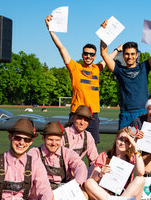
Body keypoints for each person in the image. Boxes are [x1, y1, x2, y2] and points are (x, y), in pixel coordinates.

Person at [45, 15, 121, 144]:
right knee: (69, 148)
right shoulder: (75, 68)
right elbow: (61, 48)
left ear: (94, 56)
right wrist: (50, 29)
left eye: (91, 54)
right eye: (86, 53)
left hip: (92, 116)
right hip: (76, 114)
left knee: (92, 150)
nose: (88, 56)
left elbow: (108, 57)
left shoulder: (97, 68)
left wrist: (117, 49)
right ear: (82, 55)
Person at [28, 121, 94, 200]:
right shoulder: (34, 153)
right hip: (44, 191)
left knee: (83, 191)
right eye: (50, 140)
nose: (54, 143)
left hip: (64, 190)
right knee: (37, 190)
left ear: (61, 140)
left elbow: (81, 166)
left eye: (57, 140)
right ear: (43, 138)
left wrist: (77, 183)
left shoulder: (67, 152)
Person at [99, 18, 151, 129]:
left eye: (132, 54)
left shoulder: (144, 67)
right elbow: (103, 53)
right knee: (122, 144)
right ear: (123, 55)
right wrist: (104, 33)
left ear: (136, 55)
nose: (129, 57)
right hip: (125, 113)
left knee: (142, 145)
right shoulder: (119, 69)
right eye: (126, 54)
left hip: (143, 113)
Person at [84, 128, 145, 200]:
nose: (122, 143)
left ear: (130, 144)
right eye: (121, 139)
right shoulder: (105, 156)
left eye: (127, 141)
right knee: (89, 182)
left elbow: (141, 172)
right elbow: (92, 178)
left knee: (141, 179)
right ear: (116, 139)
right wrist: (101, 173)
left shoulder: (132, 157)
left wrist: (135, 146)